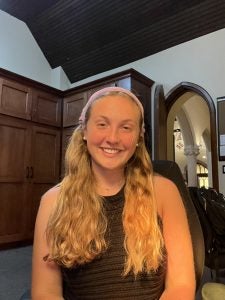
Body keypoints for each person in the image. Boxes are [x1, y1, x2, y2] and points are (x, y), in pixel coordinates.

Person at [32, 87, 195, 299]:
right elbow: (46, 293)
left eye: (126, 127)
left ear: (139, 137)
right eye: (102, 124)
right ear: (84, 131)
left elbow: (181, 285)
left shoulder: (164, 192)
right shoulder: (52, 201)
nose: (113, 138)